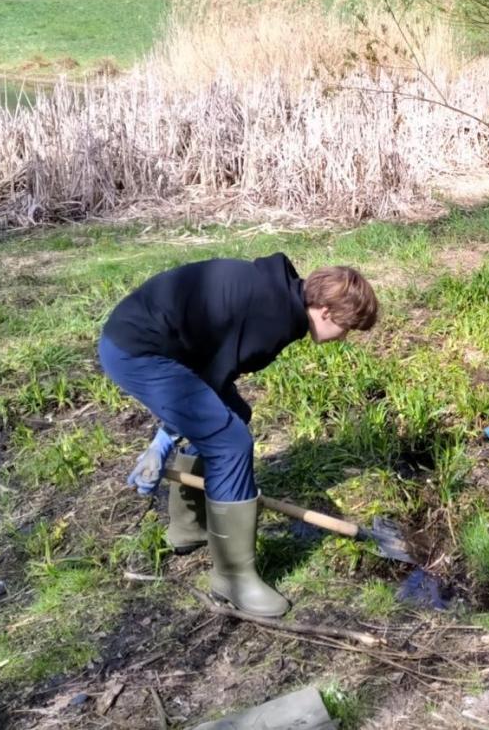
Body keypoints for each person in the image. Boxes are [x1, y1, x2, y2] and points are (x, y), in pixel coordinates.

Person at [98, 254, 378, 617]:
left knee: (233, 415)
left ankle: (188, 528)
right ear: (325, 310)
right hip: (138, 351)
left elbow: (214, 372)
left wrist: (163, 440)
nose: (345, 338)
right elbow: (209, 380)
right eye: (348, 328)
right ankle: (233, 579)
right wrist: (162, 442)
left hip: (146, 339)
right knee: (230, 442)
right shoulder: (273, 320)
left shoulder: (279, 294)